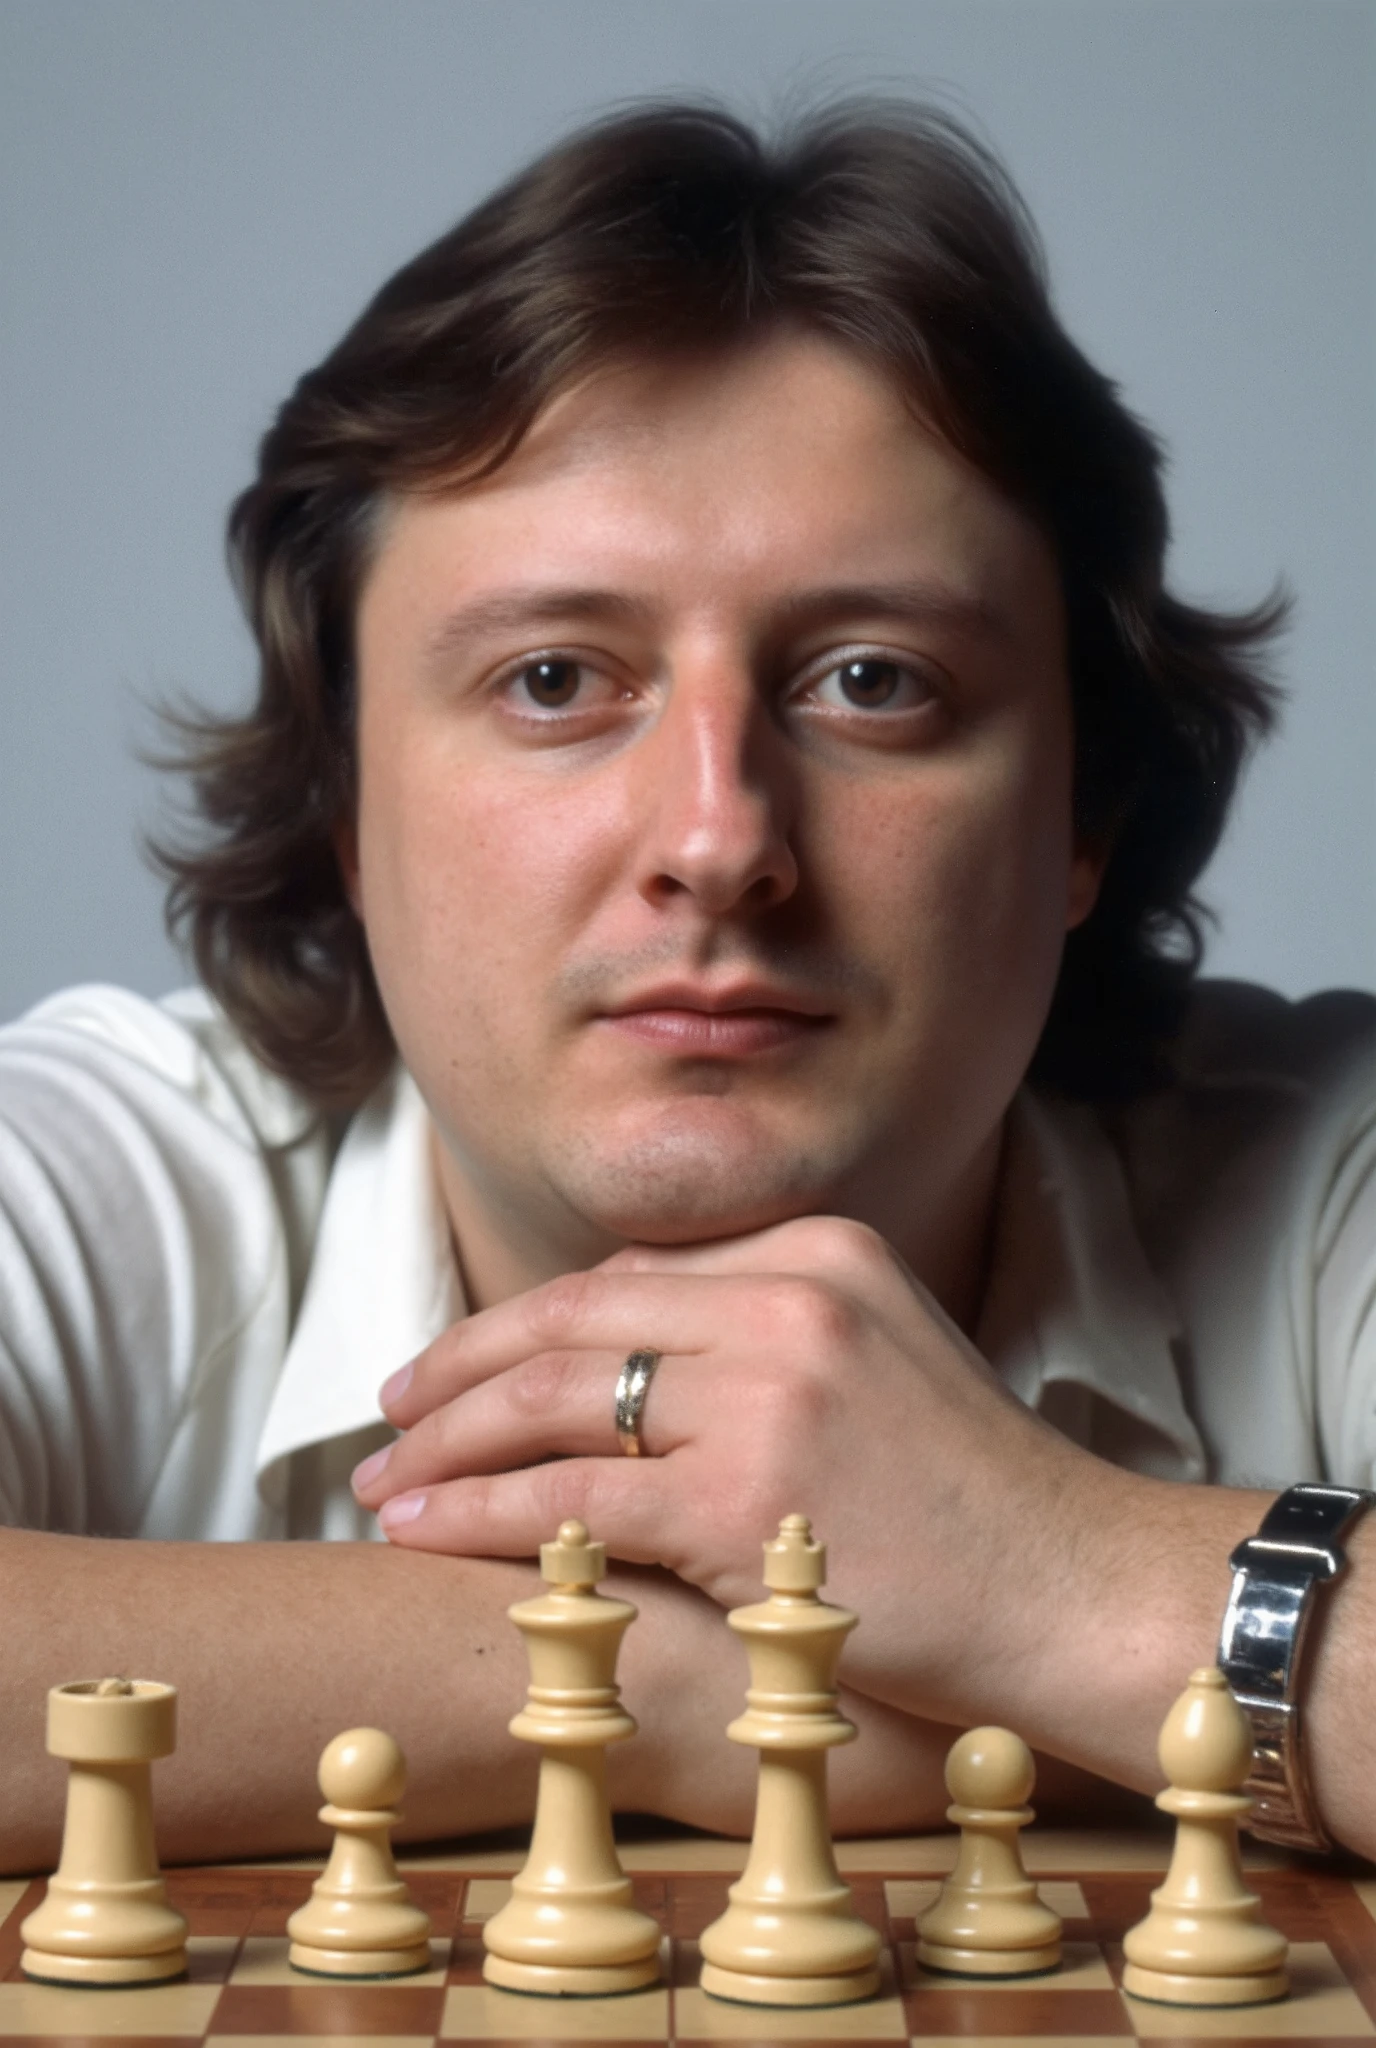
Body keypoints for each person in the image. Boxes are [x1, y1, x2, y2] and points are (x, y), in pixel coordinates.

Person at [1, 100, 1372, 1875]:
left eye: (875, 681)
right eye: (558, 677)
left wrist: (1045, 1571)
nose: (720, 838)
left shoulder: (1323, 1166)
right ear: (344, 806)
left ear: (1084, 812)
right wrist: (679, 1682)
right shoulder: (109, 1175)